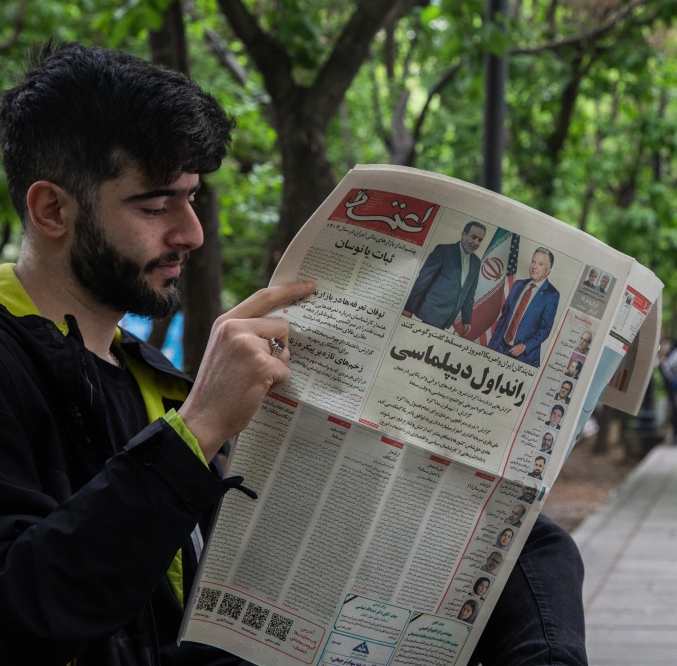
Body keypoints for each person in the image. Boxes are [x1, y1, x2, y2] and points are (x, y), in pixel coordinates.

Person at [0, 44, 588, 666]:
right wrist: (198, 428)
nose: (191, 233)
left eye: (192, 198)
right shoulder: (14, 363)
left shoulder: (144, 370)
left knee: (523, 543)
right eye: (154, 206)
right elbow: (20, 613)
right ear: (52, 209)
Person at [402, 221, 485, 333]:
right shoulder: (443, 250)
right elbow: (423, 280)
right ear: (463, 234)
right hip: (429, 312)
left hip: (448, 318)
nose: (476, 242)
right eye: (473, 237)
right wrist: (408, 308)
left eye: (480, 240)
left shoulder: (476, 262)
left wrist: (466, 320)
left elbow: (470, 293)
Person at [488, 248, 559, 367]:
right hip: (499, 347)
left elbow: (545, 330)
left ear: (548, 271)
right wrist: (492, 345)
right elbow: (504, 317)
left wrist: (525, 346)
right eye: (533, 262)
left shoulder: (552, 295)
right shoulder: (518, 284)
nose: (534, 267)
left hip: (524, 357)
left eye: (540, 264)